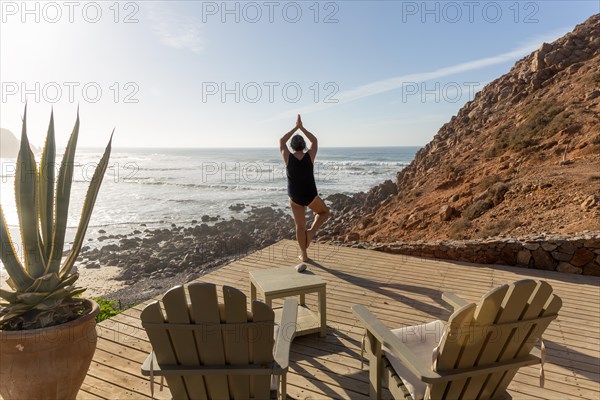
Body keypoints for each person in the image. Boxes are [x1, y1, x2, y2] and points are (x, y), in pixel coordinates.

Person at [280, 115, 330, 262]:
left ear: (292, 146)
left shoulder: (287, 157)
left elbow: (282, 141)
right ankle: (312, 232)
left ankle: (304, 255)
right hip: (310, 195)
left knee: (299, 226)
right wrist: (302, 127)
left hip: (295, 197)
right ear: (303, 145)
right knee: (324, 213)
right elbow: (314, 141)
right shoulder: (310, 156)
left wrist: (295, 127)